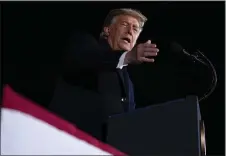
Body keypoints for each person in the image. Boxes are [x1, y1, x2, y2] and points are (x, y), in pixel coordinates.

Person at [49, 8, 159, 140]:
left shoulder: (127, 80)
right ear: (108, 30)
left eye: (135, 29)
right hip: (69, 138)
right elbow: (88, 60)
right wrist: (127, 57)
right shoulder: (85, 43)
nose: (130, 31)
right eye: (125, 24)